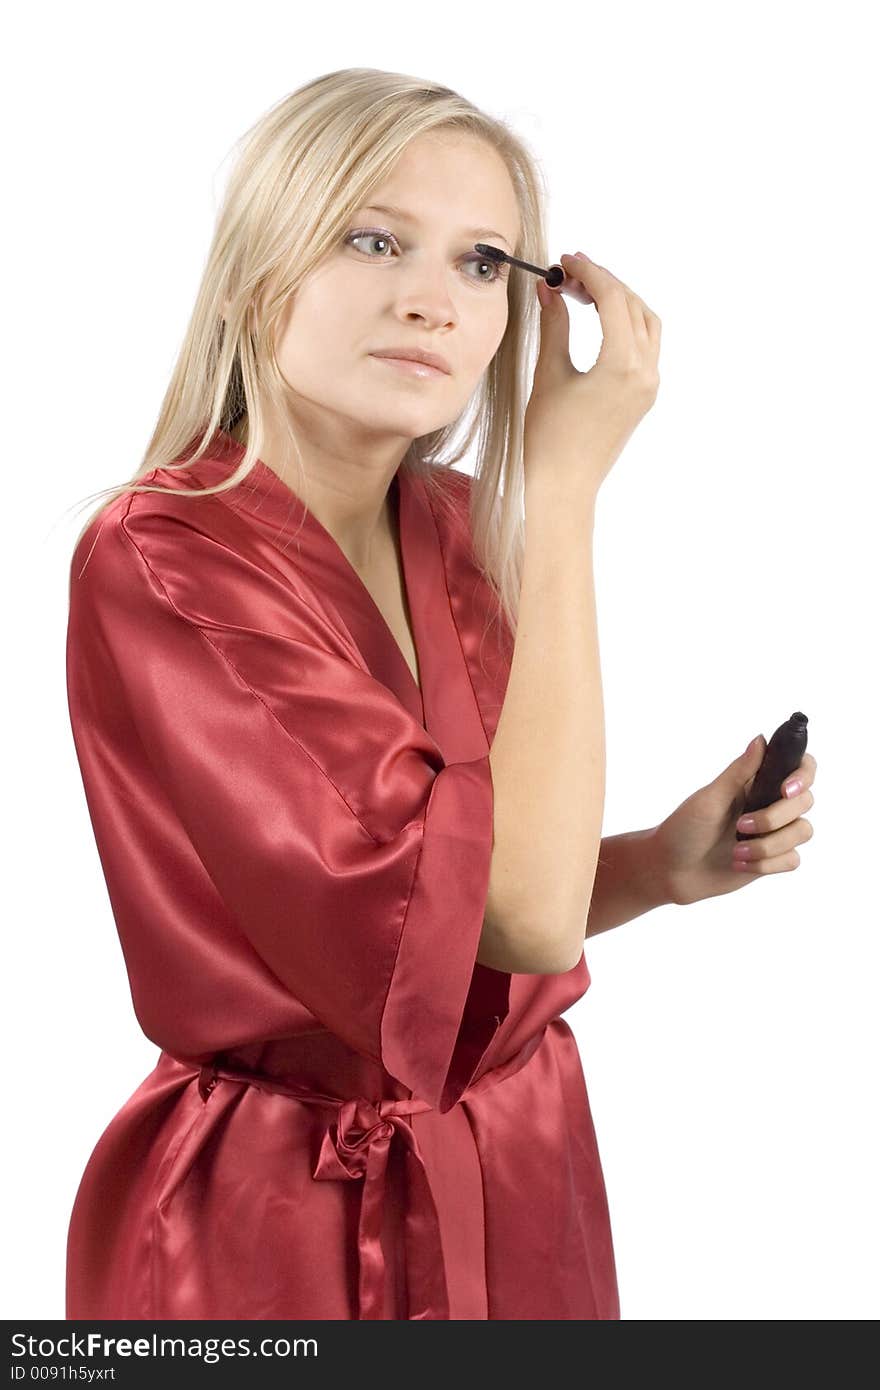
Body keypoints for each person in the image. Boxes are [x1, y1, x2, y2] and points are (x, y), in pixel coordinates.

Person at [64, 68, 815, 1321]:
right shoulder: (168, 557)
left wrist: (648, 866)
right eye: (372, 240)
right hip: (279, 1213)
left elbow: (462, 907)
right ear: (261, 271)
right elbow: (520, 919)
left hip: (520, 1167)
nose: (429, 299)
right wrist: (564, 491)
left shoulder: (458, 533)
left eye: (481, 265)